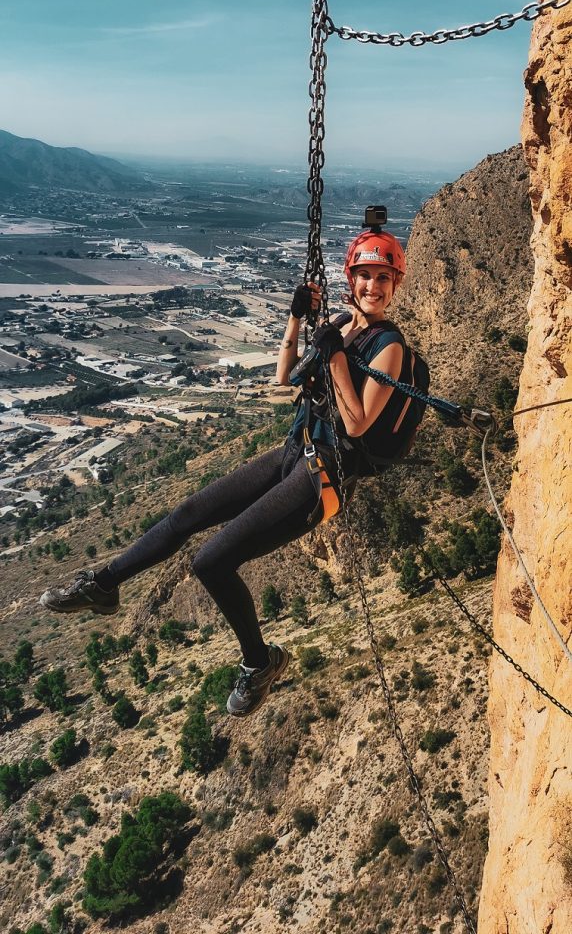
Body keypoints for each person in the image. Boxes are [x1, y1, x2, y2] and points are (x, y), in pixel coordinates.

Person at [40, 228, 407, 718]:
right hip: (293, 452)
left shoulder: (389, 347)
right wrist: (297, 319)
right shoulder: (341, 321)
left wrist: (336, 354)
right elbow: (284, 376)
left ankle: (261, 662)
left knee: (210, 561)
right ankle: (103, 585)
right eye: (365, 275)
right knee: (187, 513)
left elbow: (359, 422)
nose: (373, 286)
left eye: (383, 277)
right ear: (351, 278)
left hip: (323, 478)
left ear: (395, 284)